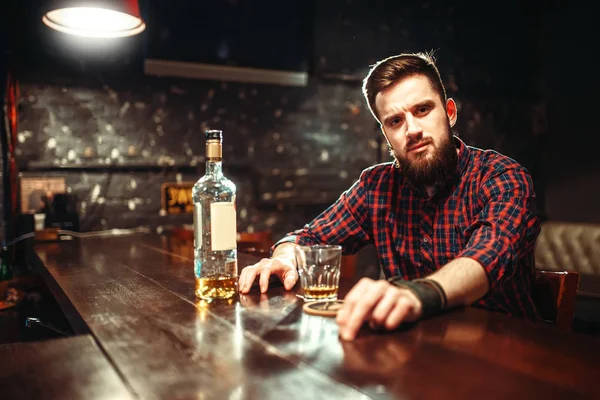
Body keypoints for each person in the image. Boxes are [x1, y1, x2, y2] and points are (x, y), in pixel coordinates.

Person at [238, 52, 541, 341]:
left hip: (509, 356)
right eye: (395, 121)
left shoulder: (502, 176)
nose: (412, 130)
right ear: (386, 135)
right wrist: (283, 260)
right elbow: (308, 238)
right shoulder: (377, 186)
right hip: (418, 354)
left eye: (423, 110)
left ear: (449, 113)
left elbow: (486, 259)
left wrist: (415, 294)